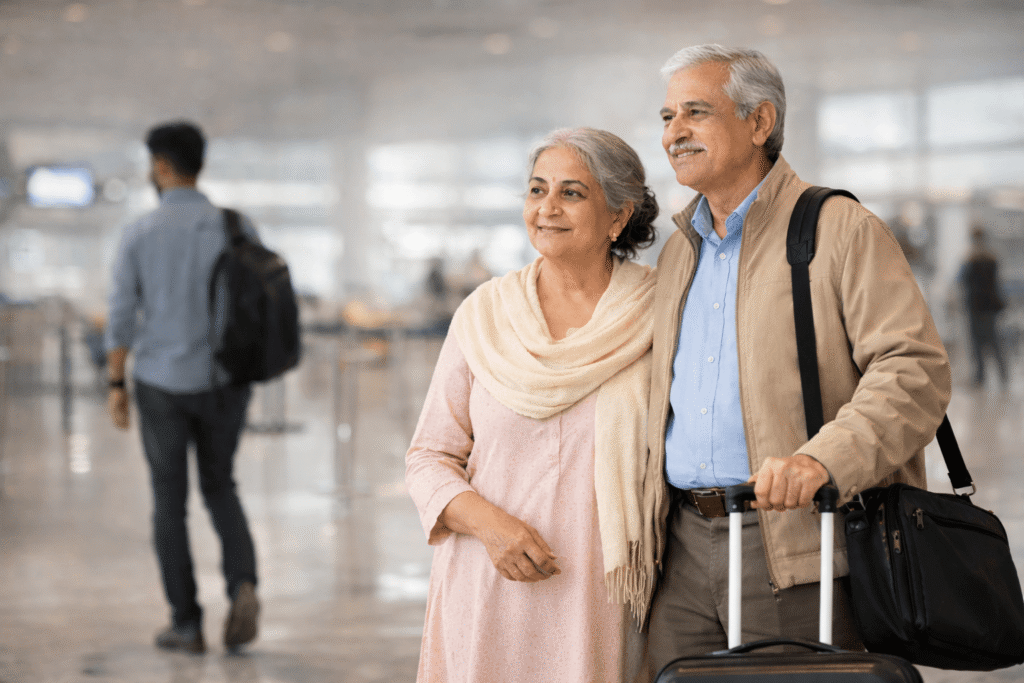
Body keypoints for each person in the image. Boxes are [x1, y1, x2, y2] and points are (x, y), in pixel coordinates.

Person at [645, 45, 951, 670]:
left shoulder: (840, 228)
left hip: (792, 541)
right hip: (679, 545)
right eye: (667, 116)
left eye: (695, 112)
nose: (674, 132)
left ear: (759, 123)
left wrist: (821, 459)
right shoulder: (679, 252)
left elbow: (913, 371)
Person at [406, 127, 661, 682]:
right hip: (489, 584)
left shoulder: (661, 311)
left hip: (604, 592)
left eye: (571, 193)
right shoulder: (485, 314)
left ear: (619, 215)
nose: (547, 208)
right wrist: (494, 528)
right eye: (536, 190)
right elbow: (428, 457)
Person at [105, 121, 261, 654]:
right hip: (225, 383)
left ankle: (186, 623)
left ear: (163, 166)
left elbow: (122, 316)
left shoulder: (140, 233)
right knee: (221, 487)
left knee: (168, 502)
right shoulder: (236, 227)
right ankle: (243, 583)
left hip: (161, 384)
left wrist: (115, 383)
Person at [961, 225, 1009, 388]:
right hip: (989, 306)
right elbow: (996, 284)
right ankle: (1002, 376)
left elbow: (964, 282)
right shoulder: (991, 259)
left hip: (976, 306)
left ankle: (981, 378)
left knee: (978, 343)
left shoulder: (970, 260)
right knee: (994, 341)